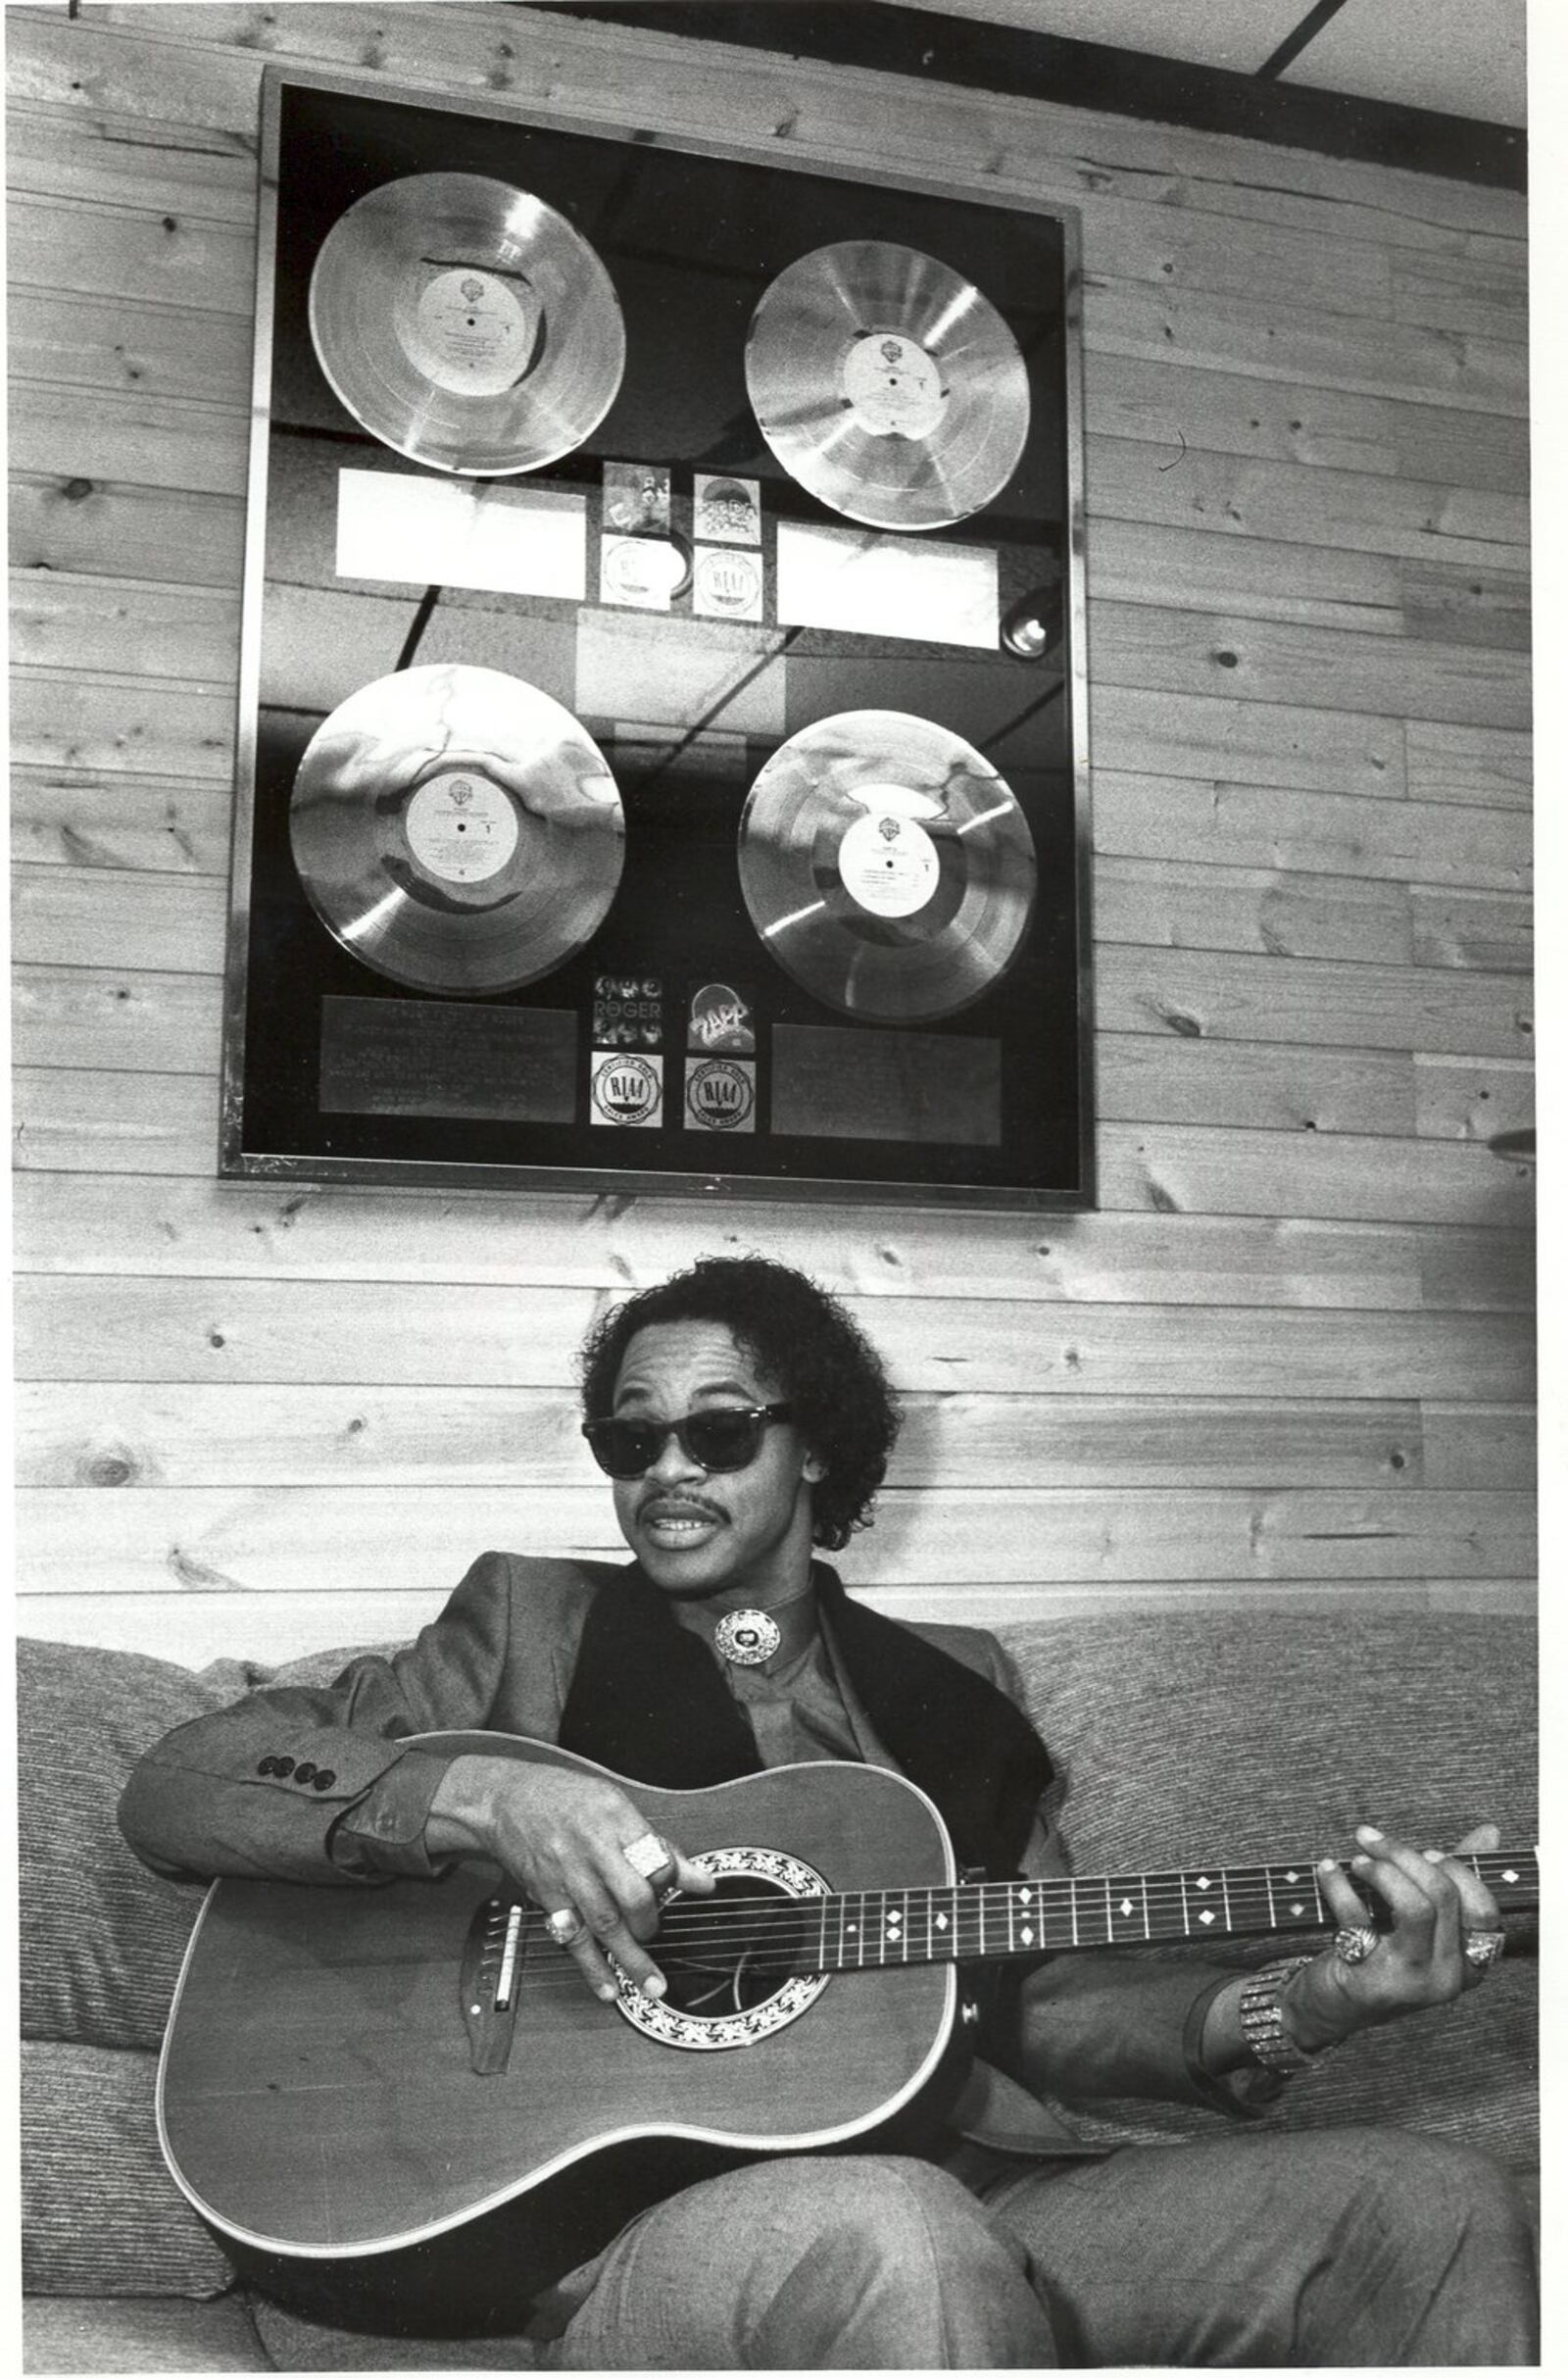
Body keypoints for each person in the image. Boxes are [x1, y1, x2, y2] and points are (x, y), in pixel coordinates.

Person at [121, 1255, 1537, 2367]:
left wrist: (1319, 2003)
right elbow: (183, 1779)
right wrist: (475, 1787)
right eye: (630, 1440)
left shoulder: (959, 1691)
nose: (666, 1469)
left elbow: (1040, 2005)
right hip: (651, 2235)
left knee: (1431, 2202)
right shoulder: (525, 1624)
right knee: (899, 2231)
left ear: (814, 1450)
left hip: (984, 2188)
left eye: (717, 1428)